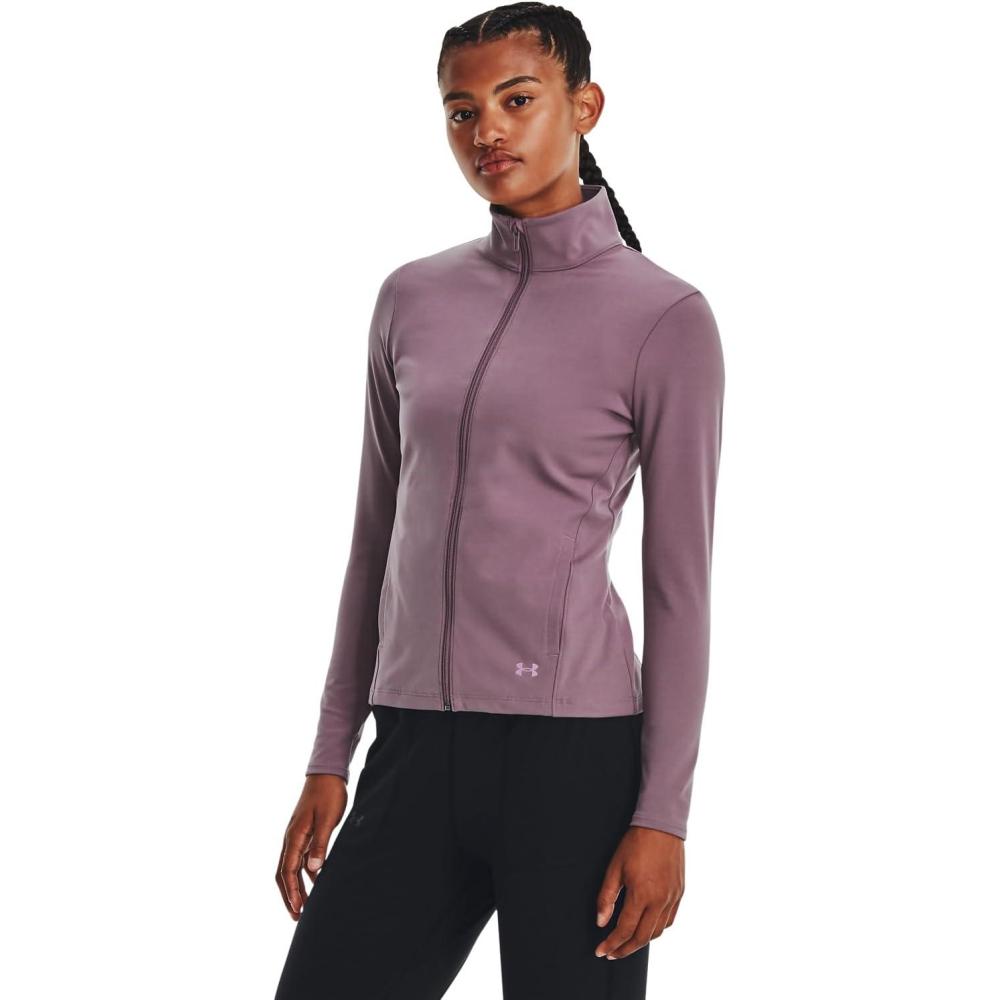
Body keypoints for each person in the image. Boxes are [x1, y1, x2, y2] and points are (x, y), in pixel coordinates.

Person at [273, 4, 725, 998]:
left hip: (573, 761)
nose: (487, 131)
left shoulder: (664, 317)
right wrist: (330, 753)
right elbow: (375, 540)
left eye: (518, 100)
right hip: (414, 745)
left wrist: (663, 814)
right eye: (461, 110)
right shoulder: (411, 299)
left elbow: (679, 589)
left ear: (584, 106)